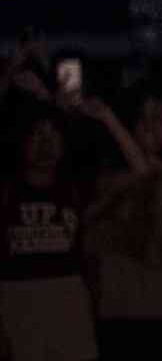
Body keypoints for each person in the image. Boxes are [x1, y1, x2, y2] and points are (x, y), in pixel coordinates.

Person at [84, 86, 162, 360]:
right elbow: (141, 174)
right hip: (119, 306)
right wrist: (109, 120)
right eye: (142, 119)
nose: (150, 127)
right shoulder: (108, 179)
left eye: (158, 118)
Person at [0, 106, 99, 361]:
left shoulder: (76, 189)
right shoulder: (7, 191)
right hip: (17, 299)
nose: (45, 144)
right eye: (37, 135)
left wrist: (106, 116)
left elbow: (142, 172)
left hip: (66, 299)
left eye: (53, 136)